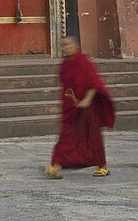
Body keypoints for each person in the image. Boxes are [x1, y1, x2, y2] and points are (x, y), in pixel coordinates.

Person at [44, 35, 115, 179]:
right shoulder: (64, 64)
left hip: (87, 107)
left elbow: (93, 83)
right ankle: (56, 166)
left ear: (76, 46)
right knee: (65, 137)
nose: (66, 48)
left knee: (92, 137)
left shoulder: (83, 62)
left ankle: (102, 166)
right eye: (64, 45)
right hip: (70, 107)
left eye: (69, 45)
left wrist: (87, 100)